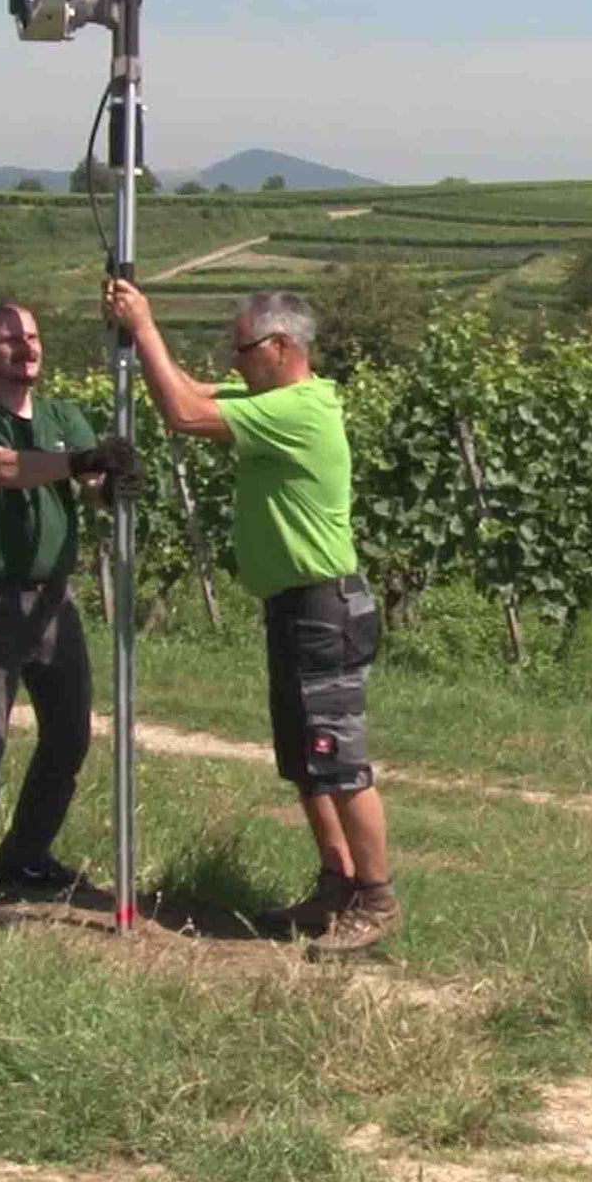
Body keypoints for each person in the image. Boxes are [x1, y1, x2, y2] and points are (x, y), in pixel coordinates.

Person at [103, 280, 401, 954]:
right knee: (304, 761)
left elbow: (181, 413)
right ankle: (336, 884)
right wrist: (138, 333)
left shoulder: (300, 410)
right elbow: (189, 388)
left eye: (241, 352)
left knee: (338, 760)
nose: (233, 365)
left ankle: (377, 899)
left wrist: (145, 323)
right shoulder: (273, 398)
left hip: (325, 607)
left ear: (280, 347)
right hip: (295, 606)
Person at [0, 301, 139, 924]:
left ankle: (25, 856)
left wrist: (113, 486)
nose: (25, 348)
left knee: (69, 733)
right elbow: (4, 469)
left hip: (55, 600)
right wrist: (82, 461)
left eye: (31, 337)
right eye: (8, 339)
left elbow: (88, 485)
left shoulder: (60, 416)